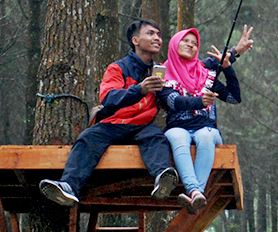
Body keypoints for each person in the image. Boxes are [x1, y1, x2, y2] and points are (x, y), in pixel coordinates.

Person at [39, 19, 182, 206]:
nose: (157, 38)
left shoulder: (161, 71)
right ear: (135, 40)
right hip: (114, 124)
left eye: (159, 35)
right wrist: (140, 89)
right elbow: (108, 97)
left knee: (156, 137)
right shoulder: (117, 68)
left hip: (142, 126)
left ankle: (163, 179)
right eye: (150, 33)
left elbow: (186, 79)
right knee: (87, 138)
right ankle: (68, 187)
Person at [160, 25, 254, 214]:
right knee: (178, 137)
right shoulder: (163, 73)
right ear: (174, 44)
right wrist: (200, 101)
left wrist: (227, 67)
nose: (190, 45)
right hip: (177, 127)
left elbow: (233, 97)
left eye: (194, 43)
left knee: (205, 136)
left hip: (206, 128)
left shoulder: (205, 74)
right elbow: (174, 101)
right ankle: (196, 193)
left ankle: (194, 192)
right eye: (185, 41)